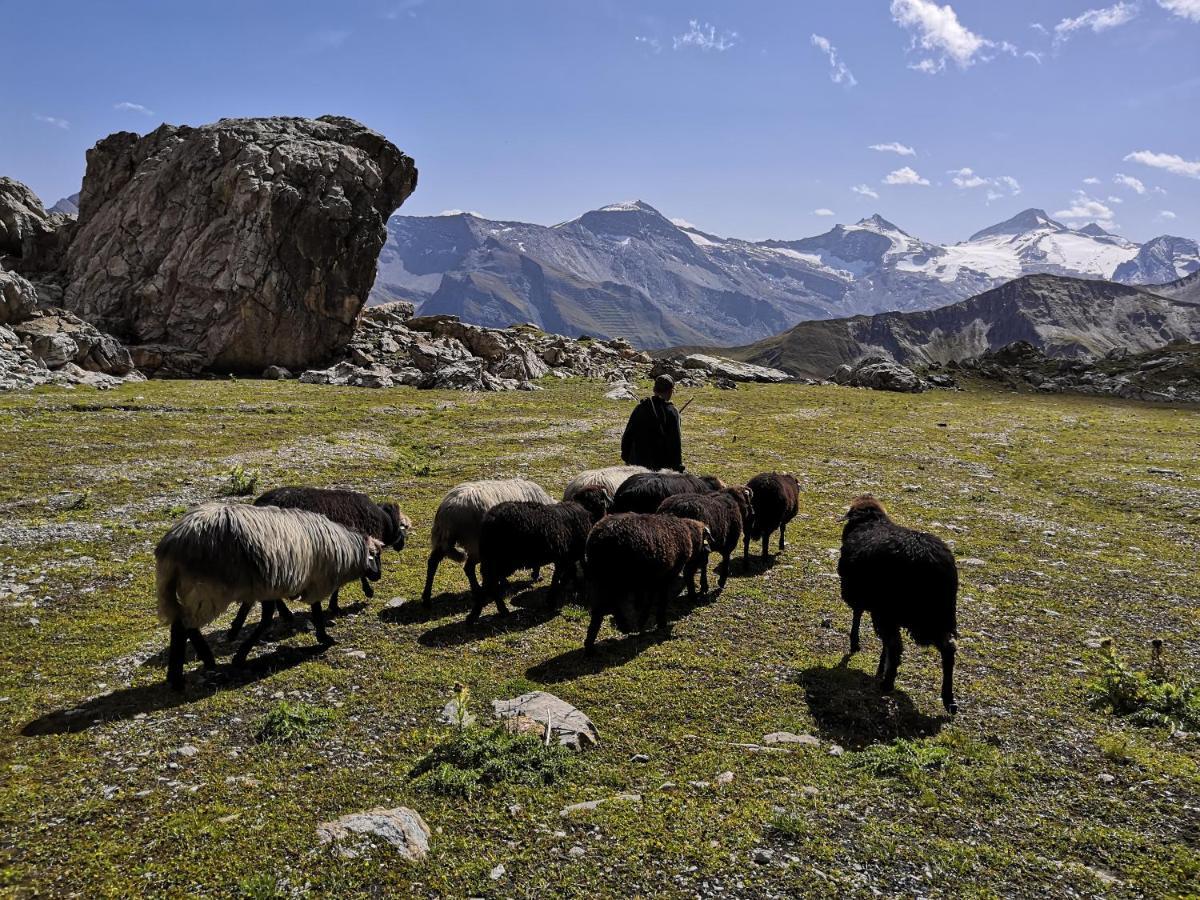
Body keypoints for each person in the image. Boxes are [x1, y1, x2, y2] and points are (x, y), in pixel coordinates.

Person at [621, 374, 684, 471]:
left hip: (636, 464)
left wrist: (626, 457)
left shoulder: (641, 407)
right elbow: (675, 442)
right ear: (670, 391)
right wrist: (678, 466)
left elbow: (628, 434)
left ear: (654, 390)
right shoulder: (671, 411)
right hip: (659, 468)